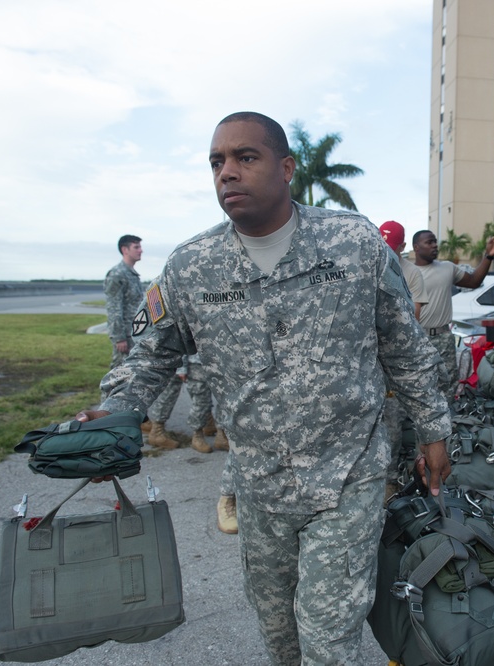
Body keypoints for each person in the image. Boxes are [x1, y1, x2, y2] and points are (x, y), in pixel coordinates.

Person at [77, 111, 451, 665]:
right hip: (258, 483)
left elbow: (403, 345)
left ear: (286, 168)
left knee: (329, 638)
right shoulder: (191, 267)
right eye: (216, 162)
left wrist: (434, 430)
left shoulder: (353, 244)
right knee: (280, 636)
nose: (227, 172)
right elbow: (149, 357)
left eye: (244, 158)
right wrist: (114, 412)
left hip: (348, 473)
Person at [412, 229, 494, 400]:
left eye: (435, 241)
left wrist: (489, 256)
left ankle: (448, 423)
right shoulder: (407, 273)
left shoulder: (447, 268)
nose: (434, 245)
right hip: (418, 338)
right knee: (419, 386)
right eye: (429, 242)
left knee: (448, 385)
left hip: (443, 337)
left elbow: (474, 281)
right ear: (416, 247)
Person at [378, 220, 427, 497]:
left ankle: (391, 479)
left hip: (395, 359)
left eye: (390, 248)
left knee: (394, 422)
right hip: (371, 359)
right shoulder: (369, 265)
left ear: (401, 248)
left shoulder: (410, 274)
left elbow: (413, 319)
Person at [104, 234, 144, 369]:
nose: (141, 250)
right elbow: (114, 307)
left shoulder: (132, 274)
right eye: (136, 247)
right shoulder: (117, 274)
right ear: (125, 250)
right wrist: (119, 337)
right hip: (126, 336)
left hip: (136, 334)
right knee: (119, 376)